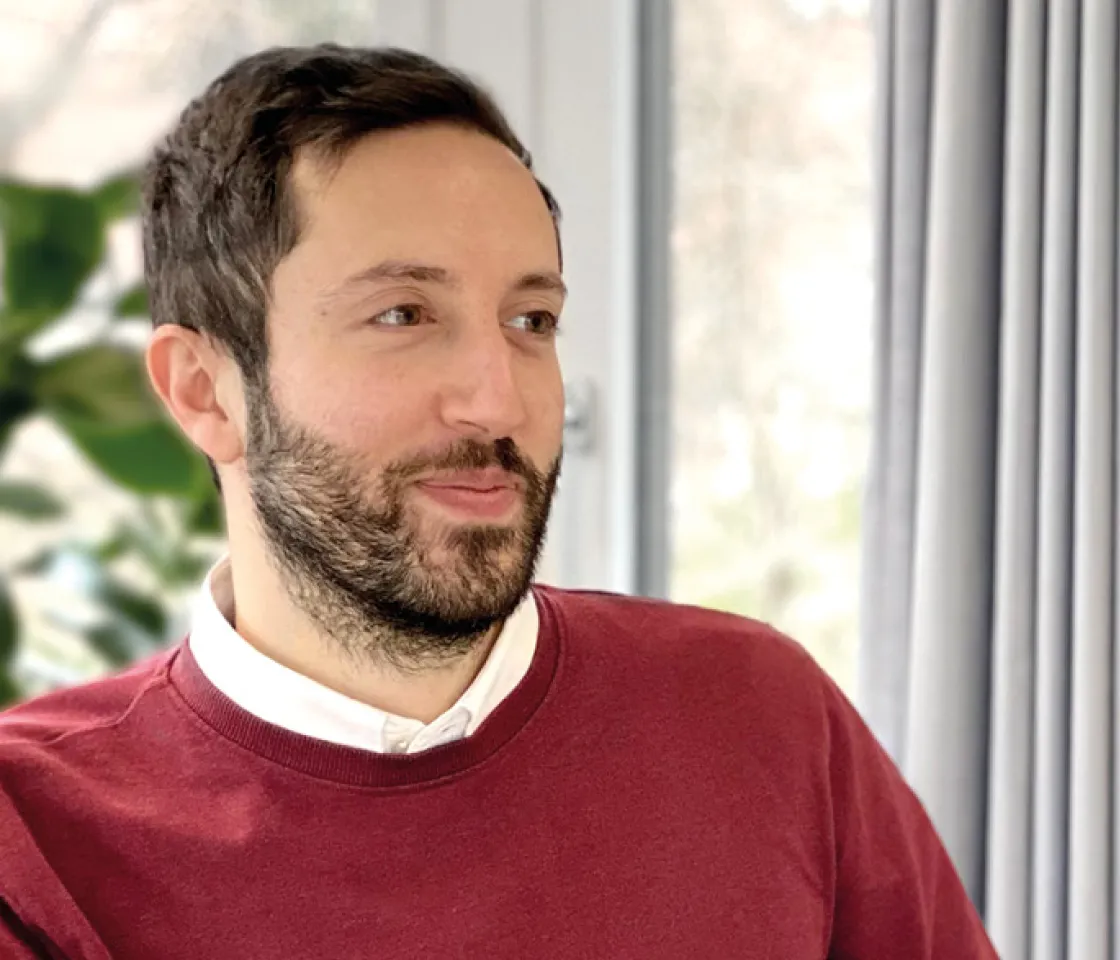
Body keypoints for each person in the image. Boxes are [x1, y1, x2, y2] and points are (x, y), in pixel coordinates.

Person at [0, 44, 997, 959]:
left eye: (531, 319)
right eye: (402, 314)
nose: (499, 397)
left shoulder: (761, 719)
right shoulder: (34, 835)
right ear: (203, 392)